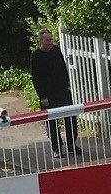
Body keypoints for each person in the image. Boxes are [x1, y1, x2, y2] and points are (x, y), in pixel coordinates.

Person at [28, 26, 78, 157]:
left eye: (51, 39)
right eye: (46, 40)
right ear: (40, 42)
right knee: (52, 122)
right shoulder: (36, 56)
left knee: (71, 118)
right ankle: (56, 148)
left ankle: (72, 144)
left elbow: (62, 67)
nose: (49, 42)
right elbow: (36, 78)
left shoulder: (56, 50)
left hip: (62, 91)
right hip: (48, 95)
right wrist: (42, 96)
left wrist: (67, 84)